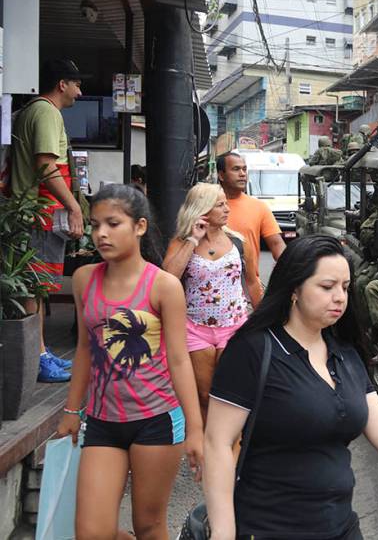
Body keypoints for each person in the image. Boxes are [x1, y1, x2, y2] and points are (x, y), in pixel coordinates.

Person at [203, 235, 378, 540]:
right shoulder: (253, 350)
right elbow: (218, 443)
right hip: (269, 527)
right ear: (294, 288)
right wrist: (223, 531)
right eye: (327, 287)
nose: (340, 297)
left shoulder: (344, 351)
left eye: (344, 287)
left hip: (341, 526)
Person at [56, 184, 203, 540]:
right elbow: (85, 350)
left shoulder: (164, 286)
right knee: (91, 533)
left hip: (157, 421)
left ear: (139, 226)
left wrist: (197, 430)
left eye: (112, 223)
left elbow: (180, 361)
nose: (101, 234)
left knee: (149, 527)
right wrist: (71, 411)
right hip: (103, 421)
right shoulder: (83, 280)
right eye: (94, 225)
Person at [10, 59, 89, 382]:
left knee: (37, 288)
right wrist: (74, 207)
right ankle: (38, 358)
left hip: (34, 212)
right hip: (37, 213)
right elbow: (46, 165)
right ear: (61, 84)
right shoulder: (46, 112)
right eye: (76, 84)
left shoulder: (34, 110)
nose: (80, 92)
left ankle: (41, 352)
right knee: (34, 288)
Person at [162, 183, 260, 423]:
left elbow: (253, 283)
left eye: (226, 203)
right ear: (203, 209)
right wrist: (193, 240)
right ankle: (206, 452)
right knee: (204, 396)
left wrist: (265, 318)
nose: (227, 208)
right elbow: (168, 279)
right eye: (220, 204)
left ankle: (232, 449)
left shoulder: (238, 242)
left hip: (234, 327)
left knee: (232, 397)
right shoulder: (181, 242)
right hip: (196, 329)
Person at [216, 151, 285, 286]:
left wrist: (292, 267)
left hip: (248, 288)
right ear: (221, 175)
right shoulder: (206, 204)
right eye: (236, 169)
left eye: (244, 169)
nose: (242, 174)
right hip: (210, 290)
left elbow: (277, 244)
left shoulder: (259, 207)